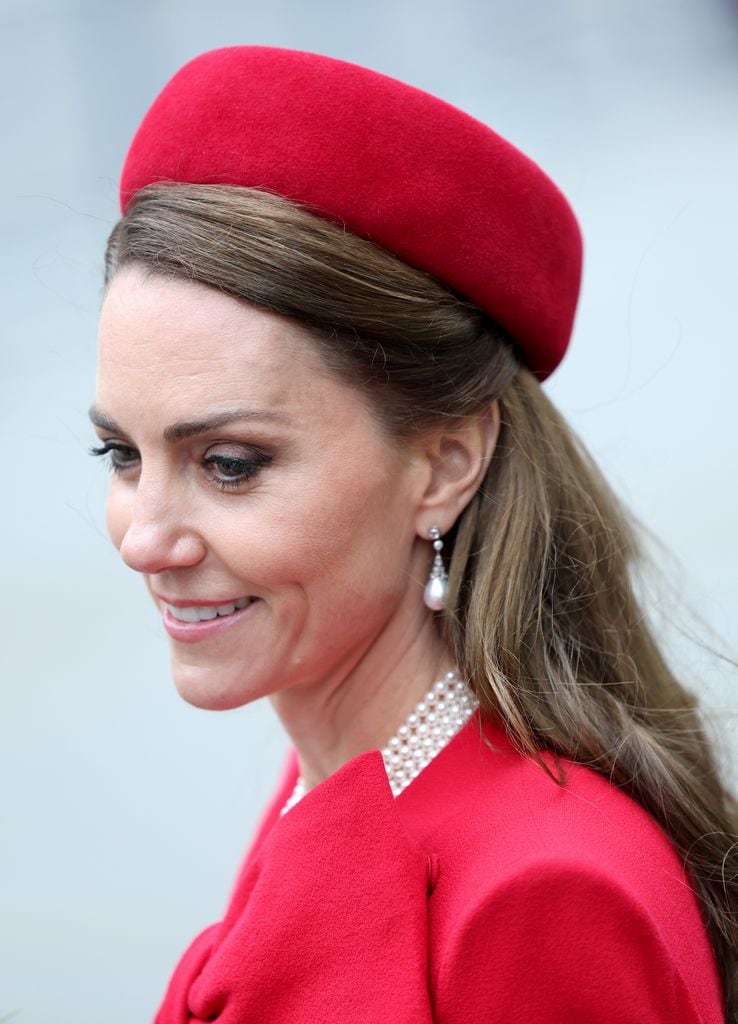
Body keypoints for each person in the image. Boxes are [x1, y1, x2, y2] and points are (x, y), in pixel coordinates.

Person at [90, 46, 736, 1023]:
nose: (145, 539)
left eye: (229, 465)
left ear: (442, 464)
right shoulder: (342, 771)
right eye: (122, 457)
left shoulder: (546, 893)